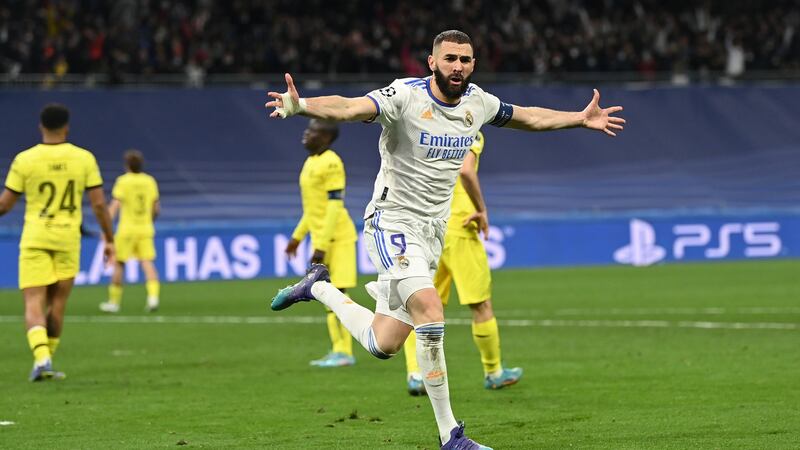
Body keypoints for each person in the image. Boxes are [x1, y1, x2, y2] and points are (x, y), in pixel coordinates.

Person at [266, 30, 625, 449]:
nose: (459, 66)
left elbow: (527, 116)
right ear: (432, 62)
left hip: (432, 232)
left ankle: (318, 286)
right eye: (450, 58)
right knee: (432, 310)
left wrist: (578, 118)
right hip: (392, 222)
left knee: (384, 344)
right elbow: (349, 107)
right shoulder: (404, 96)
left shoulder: (479, 103)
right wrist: (302, 104)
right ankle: (450, 436)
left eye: (466, 59)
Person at [0, 103, 115, 381]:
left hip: (36, 238)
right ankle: (47, 360)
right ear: (67, 127)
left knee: (33, 302)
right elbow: (99, 205)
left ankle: (42, 360)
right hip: (67, 238)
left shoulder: (25, 160)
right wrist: (109, 238)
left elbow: (4, 205)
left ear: (41, 126)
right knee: (58, 304)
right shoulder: (83, 158)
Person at [402, 131, 522, 397]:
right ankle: (494, 373)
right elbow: (466, 171)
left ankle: (415, 373)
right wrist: (481, 209)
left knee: (420, 306)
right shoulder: (469, 130)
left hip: (428, 227)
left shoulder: (427, 129)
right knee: (481, 304)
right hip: (459, 227)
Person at [284, 119, 359, 367]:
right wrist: (297, 237)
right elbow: (313, 208)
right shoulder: (310, 162)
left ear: (326, 138)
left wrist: (322, 245)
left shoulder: (332, 162)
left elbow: (335, 206)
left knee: (337, 294)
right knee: (327, 295)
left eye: (312, 131)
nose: (306, 134)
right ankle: (339, 349)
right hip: (323, 238)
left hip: (338, 239)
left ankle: (344, 352)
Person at [99, 150, 161, 313]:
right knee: (147, 262)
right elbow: (156, 208)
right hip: (145, 228)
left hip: (126, 230)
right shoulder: (150, 181)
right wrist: (149, 221)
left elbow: (114, 206)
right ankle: (153, 298)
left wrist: (105, 228)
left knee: (119, 264)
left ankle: (114, 302)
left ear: (126, 165)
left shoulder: (123, 181)